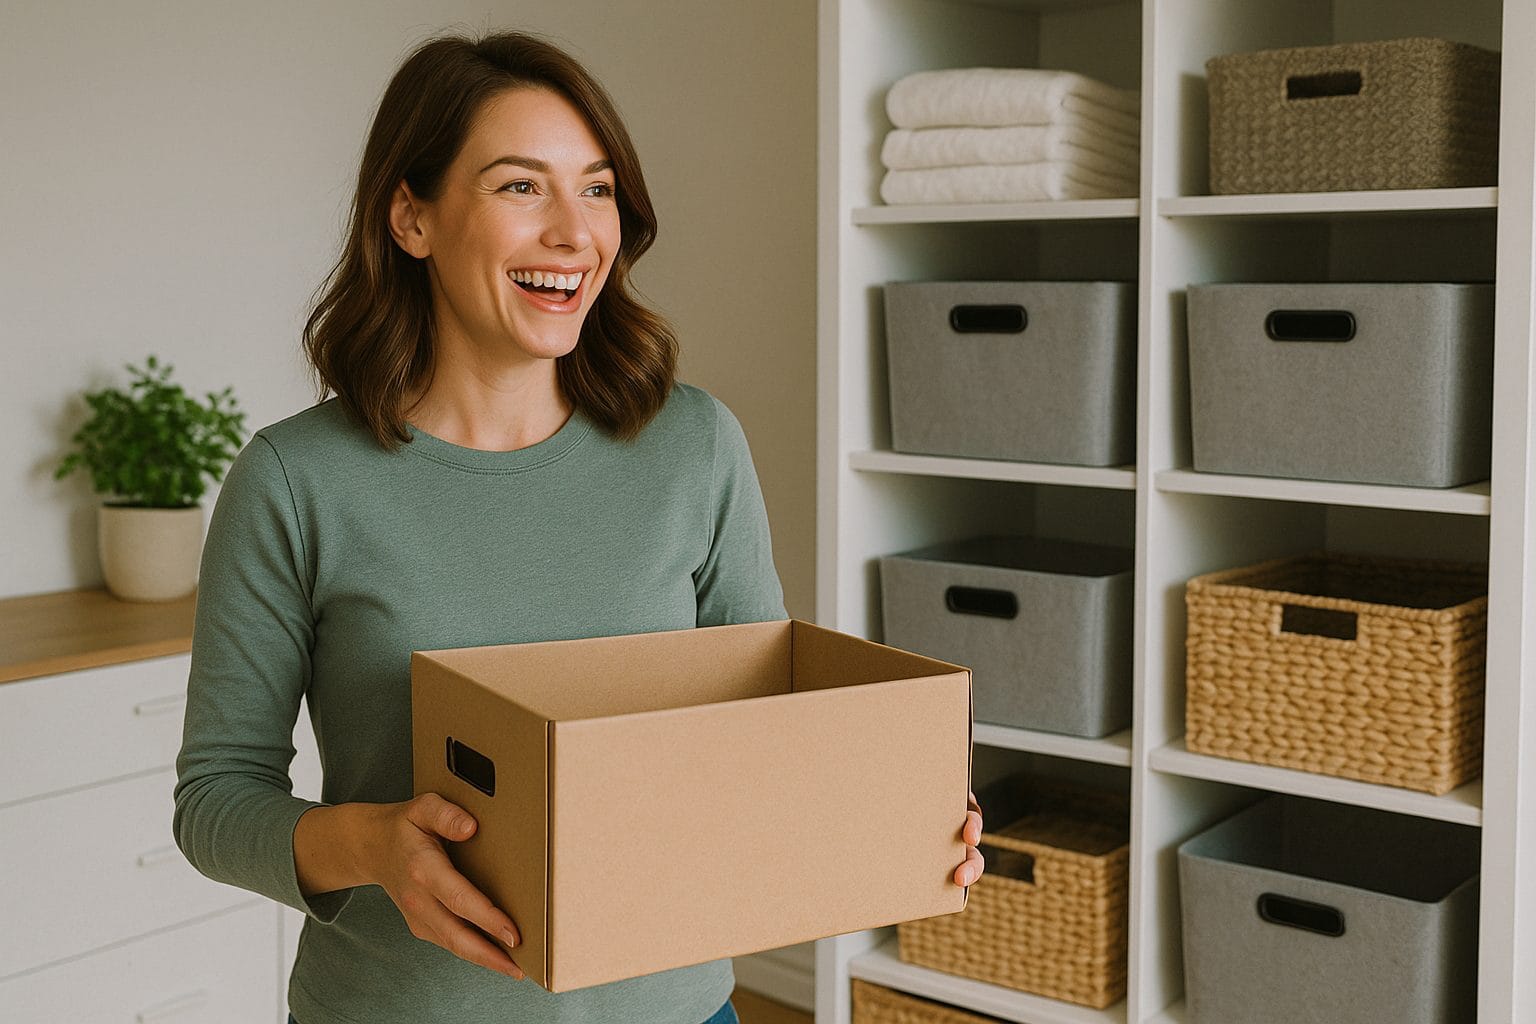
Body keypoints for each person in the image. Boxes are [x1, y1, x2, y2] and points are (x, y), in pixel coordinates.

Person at [173, 29, 984, 1024]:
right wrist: (374, 845)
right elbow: (216, 800)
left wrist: (898, 809)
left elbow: (766, 733)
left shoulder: (694, 445)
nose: (574, 232)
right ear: (412, 216)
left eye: (596, 189)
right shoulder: (296, 481)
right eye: (522, 186)